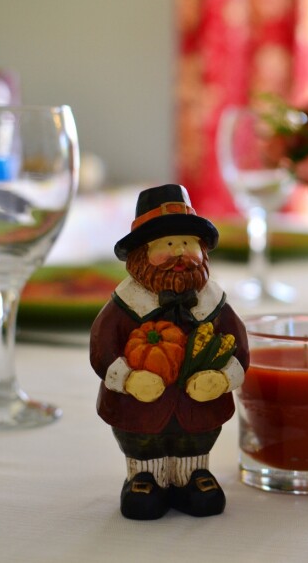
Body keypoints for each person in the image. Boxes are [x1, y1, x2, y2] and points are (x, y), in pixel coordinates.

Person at [90, 184, 249, 520]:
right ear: (141, 255)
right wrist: (129, 379)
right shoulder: (126, 305)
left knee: (196, 443)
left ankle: (193, 475)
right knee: (143, 444)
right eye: (168, 244)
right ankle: (144, 477)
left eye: (188, 243)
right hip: (140, 406)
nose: (180, 253)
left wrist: (221, 379)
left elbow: (238, 346)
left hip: (198, 406)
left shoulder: (212, 303)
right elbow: (102, 349)